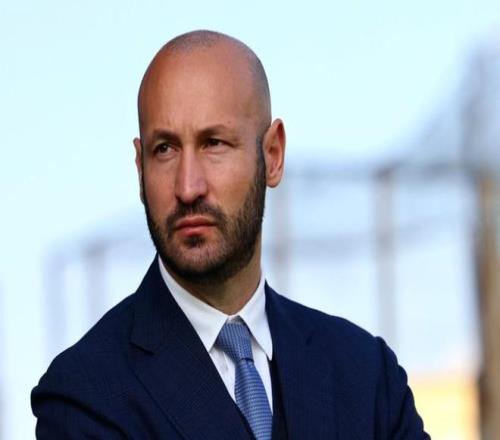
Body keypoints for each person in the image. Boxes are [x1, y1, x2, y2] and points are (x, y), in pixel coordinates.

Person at [31, 30, 430, 439]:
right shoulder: (85, 397)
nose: (188, 187)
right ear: (140, 168)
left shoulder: (366, 378)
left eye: (214, 143)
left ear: (272, 155)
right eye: (165, 149)